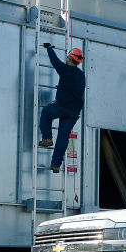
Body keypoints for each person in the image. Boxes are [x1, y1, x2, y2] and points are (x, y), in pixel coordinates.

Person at [38, 42, 85, 173]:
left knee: (46, 112)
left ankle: (47, 137)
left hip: (62, 107)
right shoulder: (81, 75)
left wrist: (49, 49)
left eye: (68, 57)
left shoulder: (65, 70)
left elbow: (55, 61)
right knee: (63, 137)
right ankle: (56, 164)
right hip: (74, 112)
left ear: (70, 58)